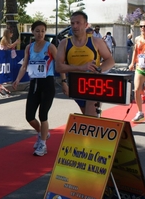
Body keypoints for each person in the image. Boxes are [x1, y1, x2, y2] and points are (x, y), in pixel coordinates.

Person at [11, 21, 67, 156]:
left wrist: (64, 81)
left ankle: (42, 144)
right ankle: (43, 133)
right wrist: (18, 79)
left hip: (47, 83)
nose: (40, 34)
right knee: (29, 116)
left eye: (43, 31)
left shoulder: (50, 47)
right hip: (34, 83)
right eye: (37, 31)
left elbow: (60, 64)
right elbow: (24, 66)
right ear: (32, 32)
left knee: (43, 115)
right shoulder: (29, 48)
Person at [55, 11, 115, 116]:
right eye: (72, 23)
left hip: (94, 84)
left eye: (78, 23)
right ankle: (97, 129)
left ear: (86, 25)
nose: (75, 26)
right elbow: (59, 66)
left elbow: (110, 61)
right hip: (76, 84)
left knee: (90, 117)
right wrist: (65, 81)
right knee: (87, 117)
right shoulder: (64, 43)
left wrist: (99, 70)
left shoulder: (96, 41)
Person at [128, 21, 145, 122]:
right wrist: (132, 63)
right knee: (137, 90)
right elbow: (135, 51)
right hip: (140, 67)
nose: (143, 28)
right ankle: (139, 112)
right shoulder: (137, 39)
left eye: (144, 26)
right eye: (141, 26)